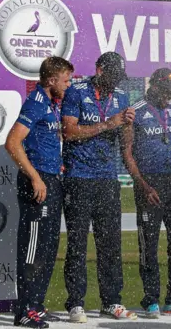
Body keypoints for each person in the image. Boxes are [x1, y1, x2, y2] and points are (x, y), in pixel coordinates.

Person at [60, 51, 137, 322]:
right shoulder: (77, 91)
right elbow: (68, 132)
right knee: (78, 244)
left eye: (120, 77)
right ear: (100, 70)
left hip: (107, 179)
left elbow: (125, 142)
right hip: (79, 177)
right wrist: (108, 123)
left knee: (110, 244)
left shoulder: (121, 97)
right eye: (113, 75)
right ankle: (76, 303)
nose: (116, 81)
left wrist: (127, 125)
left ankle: (112, 300)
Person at [5, 57, 74, 328]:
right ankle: (24, 311)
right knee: (32, 250)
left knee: (47, 248)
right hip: (38, 182)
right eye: (65, 80)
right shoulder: (35, 103)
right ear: (50, 80)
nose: (68, 85)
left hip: (52, 179)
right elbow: (12, 143)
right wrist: (35, 178)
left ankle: (37, 306)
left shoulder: (52, 104)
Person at [121, 68, 171, 318]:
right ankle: (150, 299)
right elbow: (127, 152)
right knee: (149, 246)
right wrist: (142, 185)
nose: (169, 97)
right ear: (154, 87)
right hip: (148, 185)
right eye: (166, 92)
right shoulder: (136, 111)